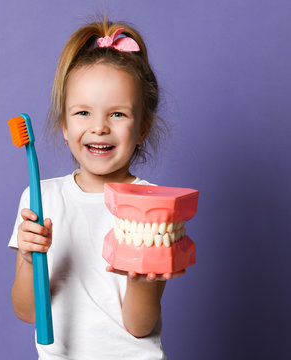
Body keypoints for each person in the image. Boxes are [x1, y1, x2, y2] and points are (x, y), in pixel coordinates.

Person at [9, 18, 184, 359]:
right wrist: (29, 261)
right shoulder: (40, 200)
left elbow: (140, 326)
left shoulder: (152, 207)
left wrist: (141, 278)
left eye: (117, 114)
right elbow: (27, 312)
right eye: (83, 112)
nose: (99, 127)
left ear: (143, 127)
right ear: (64, 124)